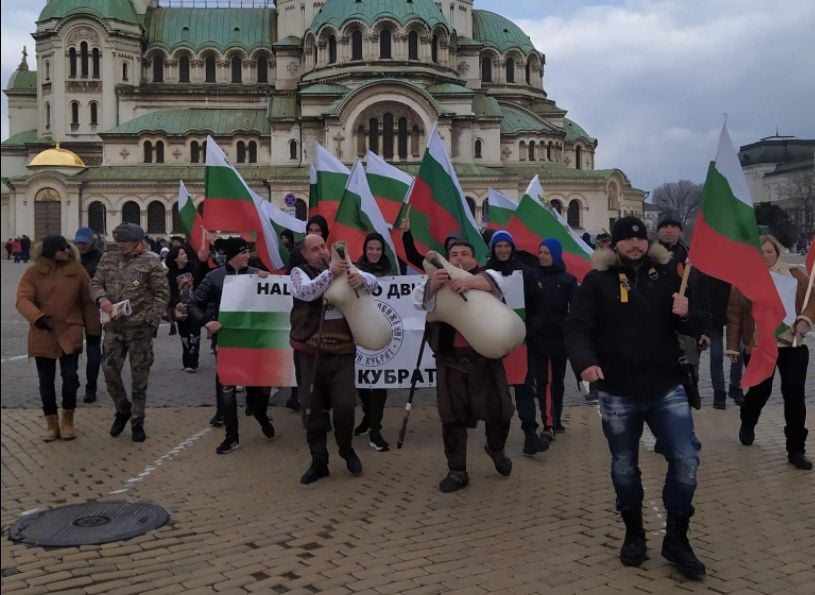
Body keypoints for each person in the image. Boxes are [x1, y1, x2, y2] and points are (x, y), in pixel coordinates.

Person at [565, 216, 706, 579]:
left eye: (639, 239)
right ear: (615, 245)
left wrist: (687, 314)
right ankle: (634, 531)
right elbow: (578, 328)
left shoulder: (669, 275)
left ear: (647, 241)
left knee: (686, 458)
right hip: (618, 390)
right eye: (627, 240)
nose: (635, 245)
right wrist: (585, 362)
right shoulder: (596, 282)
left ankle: (677, 537)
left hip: (665, 385)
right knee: (624, 465)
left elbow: (696, 323)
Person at [412, 240, 515, 493]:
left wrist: (468, 282)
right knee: (452, 418)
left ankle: (496, 448)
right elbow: (417, 302)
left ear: (474, 258)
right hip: (451, 361)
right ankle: (457, 470)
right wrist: (432, 286)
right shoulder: (434, 281)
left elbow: (496, 283)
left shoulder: (487, 274)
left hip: (484, 361)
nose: (459, 259)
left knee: (500, 411)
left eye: (465, 254)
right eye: (454, 255)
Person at [290, 233, 378, 484]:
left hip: (342, 351)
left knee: (344, 405)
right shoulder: (299, 272)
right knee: (312, 409)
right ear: (305, 254)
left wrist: (362, 277)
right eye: (315, 249)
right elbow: (306, 292)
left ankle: (346, 448)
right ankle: (319, 460)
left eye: (323, 247)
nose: (321, 252)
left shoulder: (348, 267)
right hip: (310, 351)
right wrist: (330, 272)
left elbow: (375, 284)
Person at [728, 234, 814, 470]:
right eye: (760, 252)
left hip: (792, 344)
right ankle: (748, 419)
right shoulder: (744, 280)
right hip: (758, 345)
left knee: (794, 394)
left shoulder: (795, 275)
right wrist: (733, 346)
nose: (765, 256)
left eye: (769, 251)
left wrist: (805, 319)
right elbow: (734, 315)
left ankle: (796, 448)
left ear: (777, 252)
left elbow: (811, 300)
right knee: (759, 391)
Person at [188, 237, 276, 453]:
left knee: (261, 388)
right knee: (226, 390)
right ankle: (232, 436)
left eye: (248, 252)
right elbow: (194, 304)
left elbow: (275, 299)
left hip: (255, 342)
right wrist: (207, 321)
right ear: (231, 255)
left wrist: (269, 281)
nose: (247, 255)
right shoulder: (214, 277)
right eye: (243, 252)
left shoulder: (257, 274)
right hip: (227, 341)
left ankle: (260, 414)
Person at [16, 236, 102, 441]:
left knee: (70, 379)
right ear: (50, 251)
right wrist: (38, 318)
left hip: (70, 331)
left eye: (67, 247)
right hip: (43, 331)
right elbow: (23, 299)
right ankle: (51, 423)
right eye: (61, 248)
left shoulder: (78, 271)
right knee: (46, 381)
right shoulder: (33, 273)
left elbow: (88, 303)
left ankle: (68, 421)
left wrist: (93, 332)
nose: (67, 251)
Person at [90, 223, 169, 443]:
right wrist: (101, 298)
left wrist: (150, 322)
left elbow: (162, 294)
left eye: (124, 241)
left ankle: (137, 420)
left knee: (139, 378)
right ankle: (123, 409)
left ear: (137, 241)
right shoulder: (108, 259)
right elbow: (95, 282)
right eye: (118, 241)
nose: (121, 245)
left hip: (138, 329)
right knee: (109, 371)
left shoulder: (151, 262)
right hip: (114, 328)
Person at [483, 230, 547, 456]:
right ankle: (495, 440)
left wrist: (530, 330)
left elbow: (539, 307)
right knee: (495, 394)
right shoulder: (484, 274)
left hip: (521, 343)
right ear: (493, 249)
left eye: (507, 246)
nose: (503, 250)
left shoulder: (526, 273)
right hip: (493, 343)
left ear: (512, 248)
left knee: (524, 390)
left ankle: (530, 435)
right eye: (499, 246)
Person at [527, 238, 577, 439]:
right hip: (539, 338)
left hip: (560, 337)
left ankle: (556, 418)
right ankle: (547, 422)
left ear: (555, 255)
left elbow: (576, 307)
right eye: (540, 252)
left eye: (547, 253)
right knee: (544, 380)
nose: (542, 256)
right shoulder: (532, 277)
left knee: (558, 381)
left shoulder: (567, 280)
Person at [353, 232, 394, 451]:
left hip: (384, 333)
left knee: (380, 384)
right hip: (360, 333)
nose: (375, 252)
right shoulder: (355, 271)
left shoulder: (392, 272)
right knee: (362, 383)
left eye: (378, 249)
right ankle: (368, 418)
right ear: (365, 250)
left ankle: (375, 430)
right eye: (371, 248)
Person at [74, 227, 104, 404]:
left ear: (91, 241)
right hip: (73, 308)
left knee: (93, 349)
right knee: (71, 347)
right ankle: (73, 380)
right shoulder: (71, 257)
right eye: (78, 243)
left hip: (93, 307)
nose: (81, 246)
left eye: (84, 243)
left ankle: (90, 387)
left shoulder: (101, 257)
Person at [166, 245, 206, 374]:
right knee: (183, 336)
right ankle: (186, 361)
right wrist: (176, 303)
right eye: (182, 254)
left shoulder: (193, 268)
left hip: (194, 308)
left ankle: (192, 363)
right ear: (175, 259)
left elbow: (202, 277)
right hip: (180, 309)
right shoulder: (170, 274)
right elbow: (168, 293)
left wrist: (202, 260)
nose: (185, 256)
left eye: (185, 253)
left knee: (194, 335)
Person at [706, 276, 744, 408]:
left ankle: (735, 387)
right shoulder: (709, 268)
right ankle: (719, 392)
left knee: (738, 352)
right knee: (716, 354)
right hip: (714, 315)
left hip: (735, 312)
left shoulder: (737, 266)